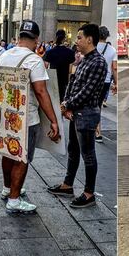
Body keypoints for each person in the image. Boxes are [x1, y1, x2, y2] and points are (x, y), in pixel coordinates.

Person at [0, 20, 60, 213]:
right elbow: (41, 92)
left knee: (8, 153)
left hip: (5, 115)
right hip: (26, 117)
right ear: (37, 39)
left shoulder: (4, 55)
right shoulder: (34, 60)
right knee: (22, 159)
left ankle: (7, 189)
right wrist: (54, 120)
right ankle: (14, 200)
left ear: (19, 36)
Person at [48, 24, 107, 209]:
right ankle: (68, 185)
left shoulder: (98, 62)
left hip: (87, 114)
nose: (76, 41)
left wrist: (66, 104)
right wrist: (67, 104)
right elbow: (73, 84)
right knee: (73, 149)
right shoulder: (84, 59)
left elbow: (87, 92)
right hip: (76, 113)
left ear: (90, 39)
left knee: (88, 154)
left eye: (80, 37)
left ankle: (89, 193)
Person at [95, 26, 117, 143]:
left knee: (93, 105)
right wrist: (116, 83)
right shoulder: (112, 50)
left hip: (94, 81)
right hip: (106, 81)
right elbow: (114, 68)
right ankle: (98, 131)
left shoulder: (93, 47)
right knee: (98, 106)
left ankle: (96, 131)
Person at [44, 30, 76, 102]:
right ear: (64, 38)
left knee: (53, 101)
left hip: (53, 80)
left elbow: (45, 67)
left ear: (56, 37)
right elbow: (70, 71)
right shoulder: (70, 52)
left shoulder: (50, 52)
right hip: (64, 81)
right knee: (62, 100)